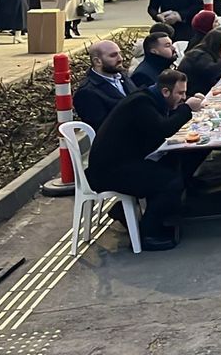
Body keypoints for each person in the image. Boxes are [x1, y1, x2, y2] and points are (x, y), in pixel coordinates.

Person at [86, 70, 204, 250]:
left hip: (123, 161)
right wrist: (186, 108)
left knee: (173, 162)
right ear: (165, 92)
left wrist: (183, 106)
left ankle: (164, 211)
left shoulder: (149, 99)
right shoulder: (140, 103)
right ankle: (149, 234)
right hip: (109, 171)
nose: (183, 97)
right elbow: (162, 129)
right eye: (180, 93)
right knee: (169, 181)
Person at [71, 40, 138, 131]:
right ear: (97, 61)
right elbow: (103, 129)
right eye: (113, 55)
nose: (120, 59)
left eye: (120, 53)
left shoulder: (122, 76)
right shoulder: (87, 92)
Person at [177, 29, 221, 96]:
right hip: (194, 92)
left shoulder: (208, 52)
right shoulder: (199, 55)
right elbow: (212, 72)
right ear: (215, 43)